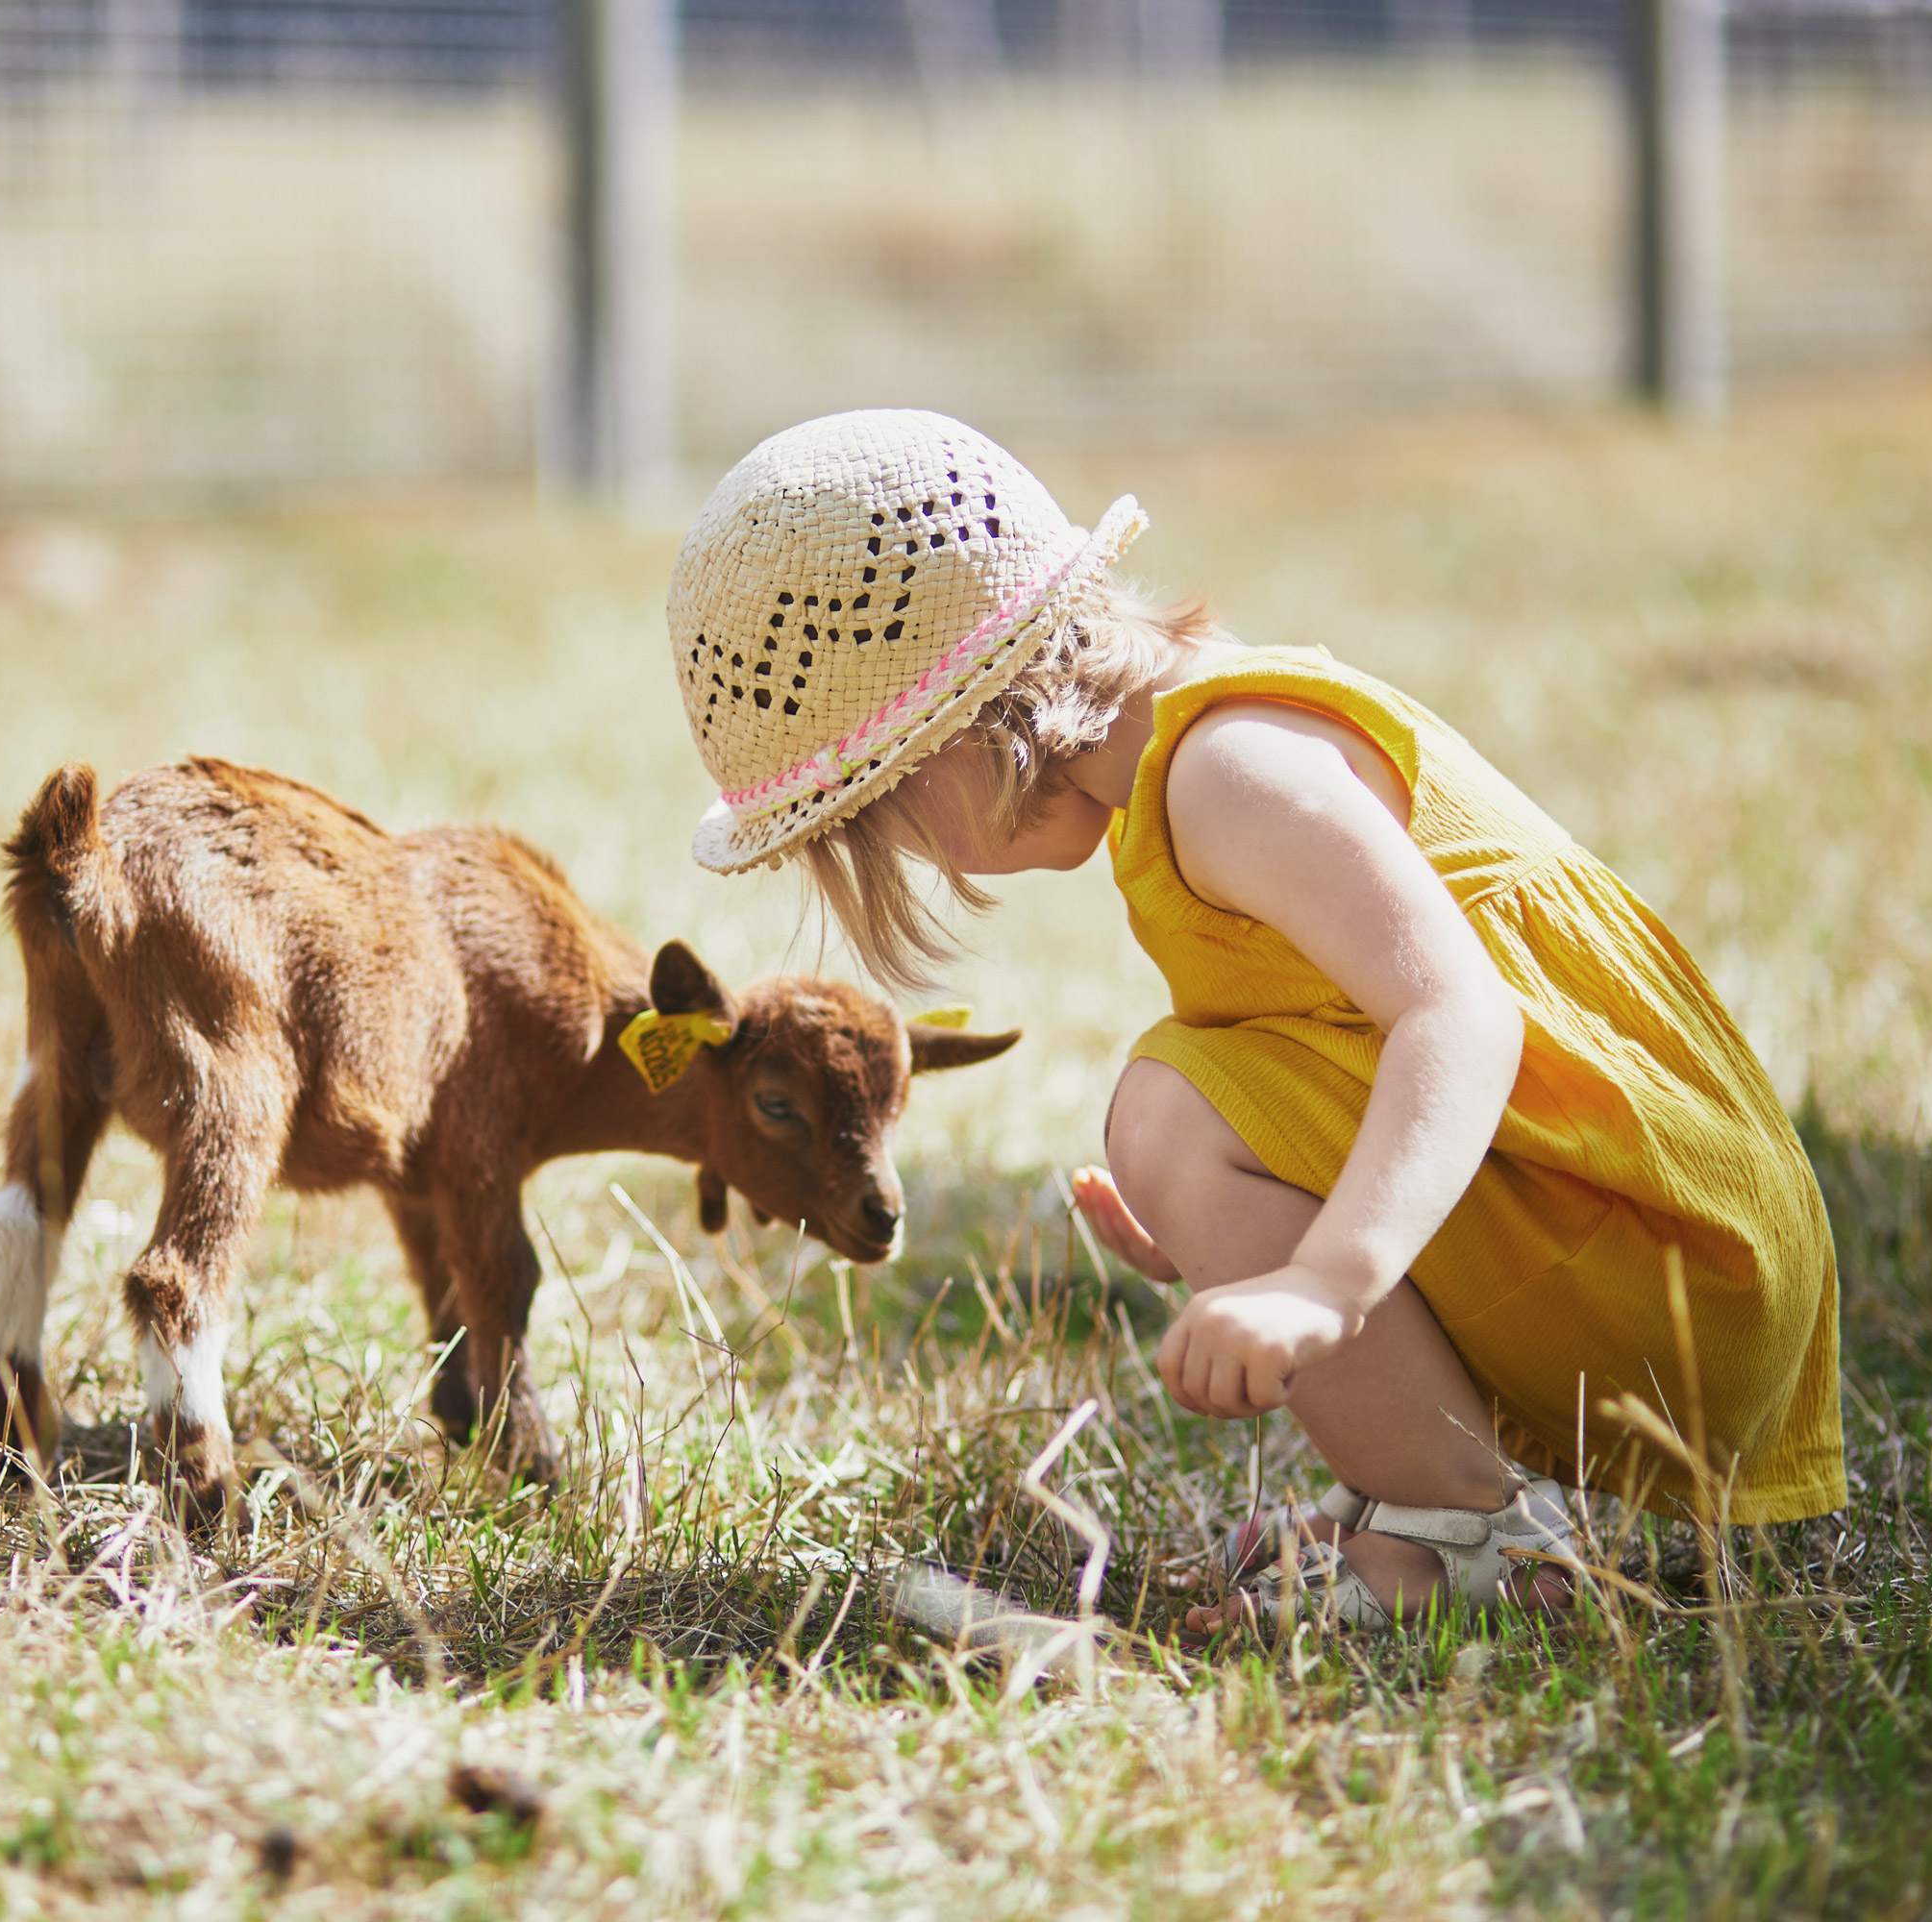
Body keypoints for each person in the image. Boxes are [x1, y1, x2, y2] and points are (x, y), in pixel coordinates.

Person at [665, 410, 1845, 1633]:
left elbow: (1464, 1018)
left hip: (1674, 1265)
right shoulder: (1187, 757)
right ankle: (1425, 1500)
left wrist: (1327, 1276)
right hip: (1611, 1225)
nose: (925, 862)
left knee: (1171, 1108)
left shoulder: (1230, 776)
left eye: (894, 827)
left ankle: (1472, 1534)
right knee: (1187, 1113)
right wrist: (1246, 1220)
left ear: (962, 739)